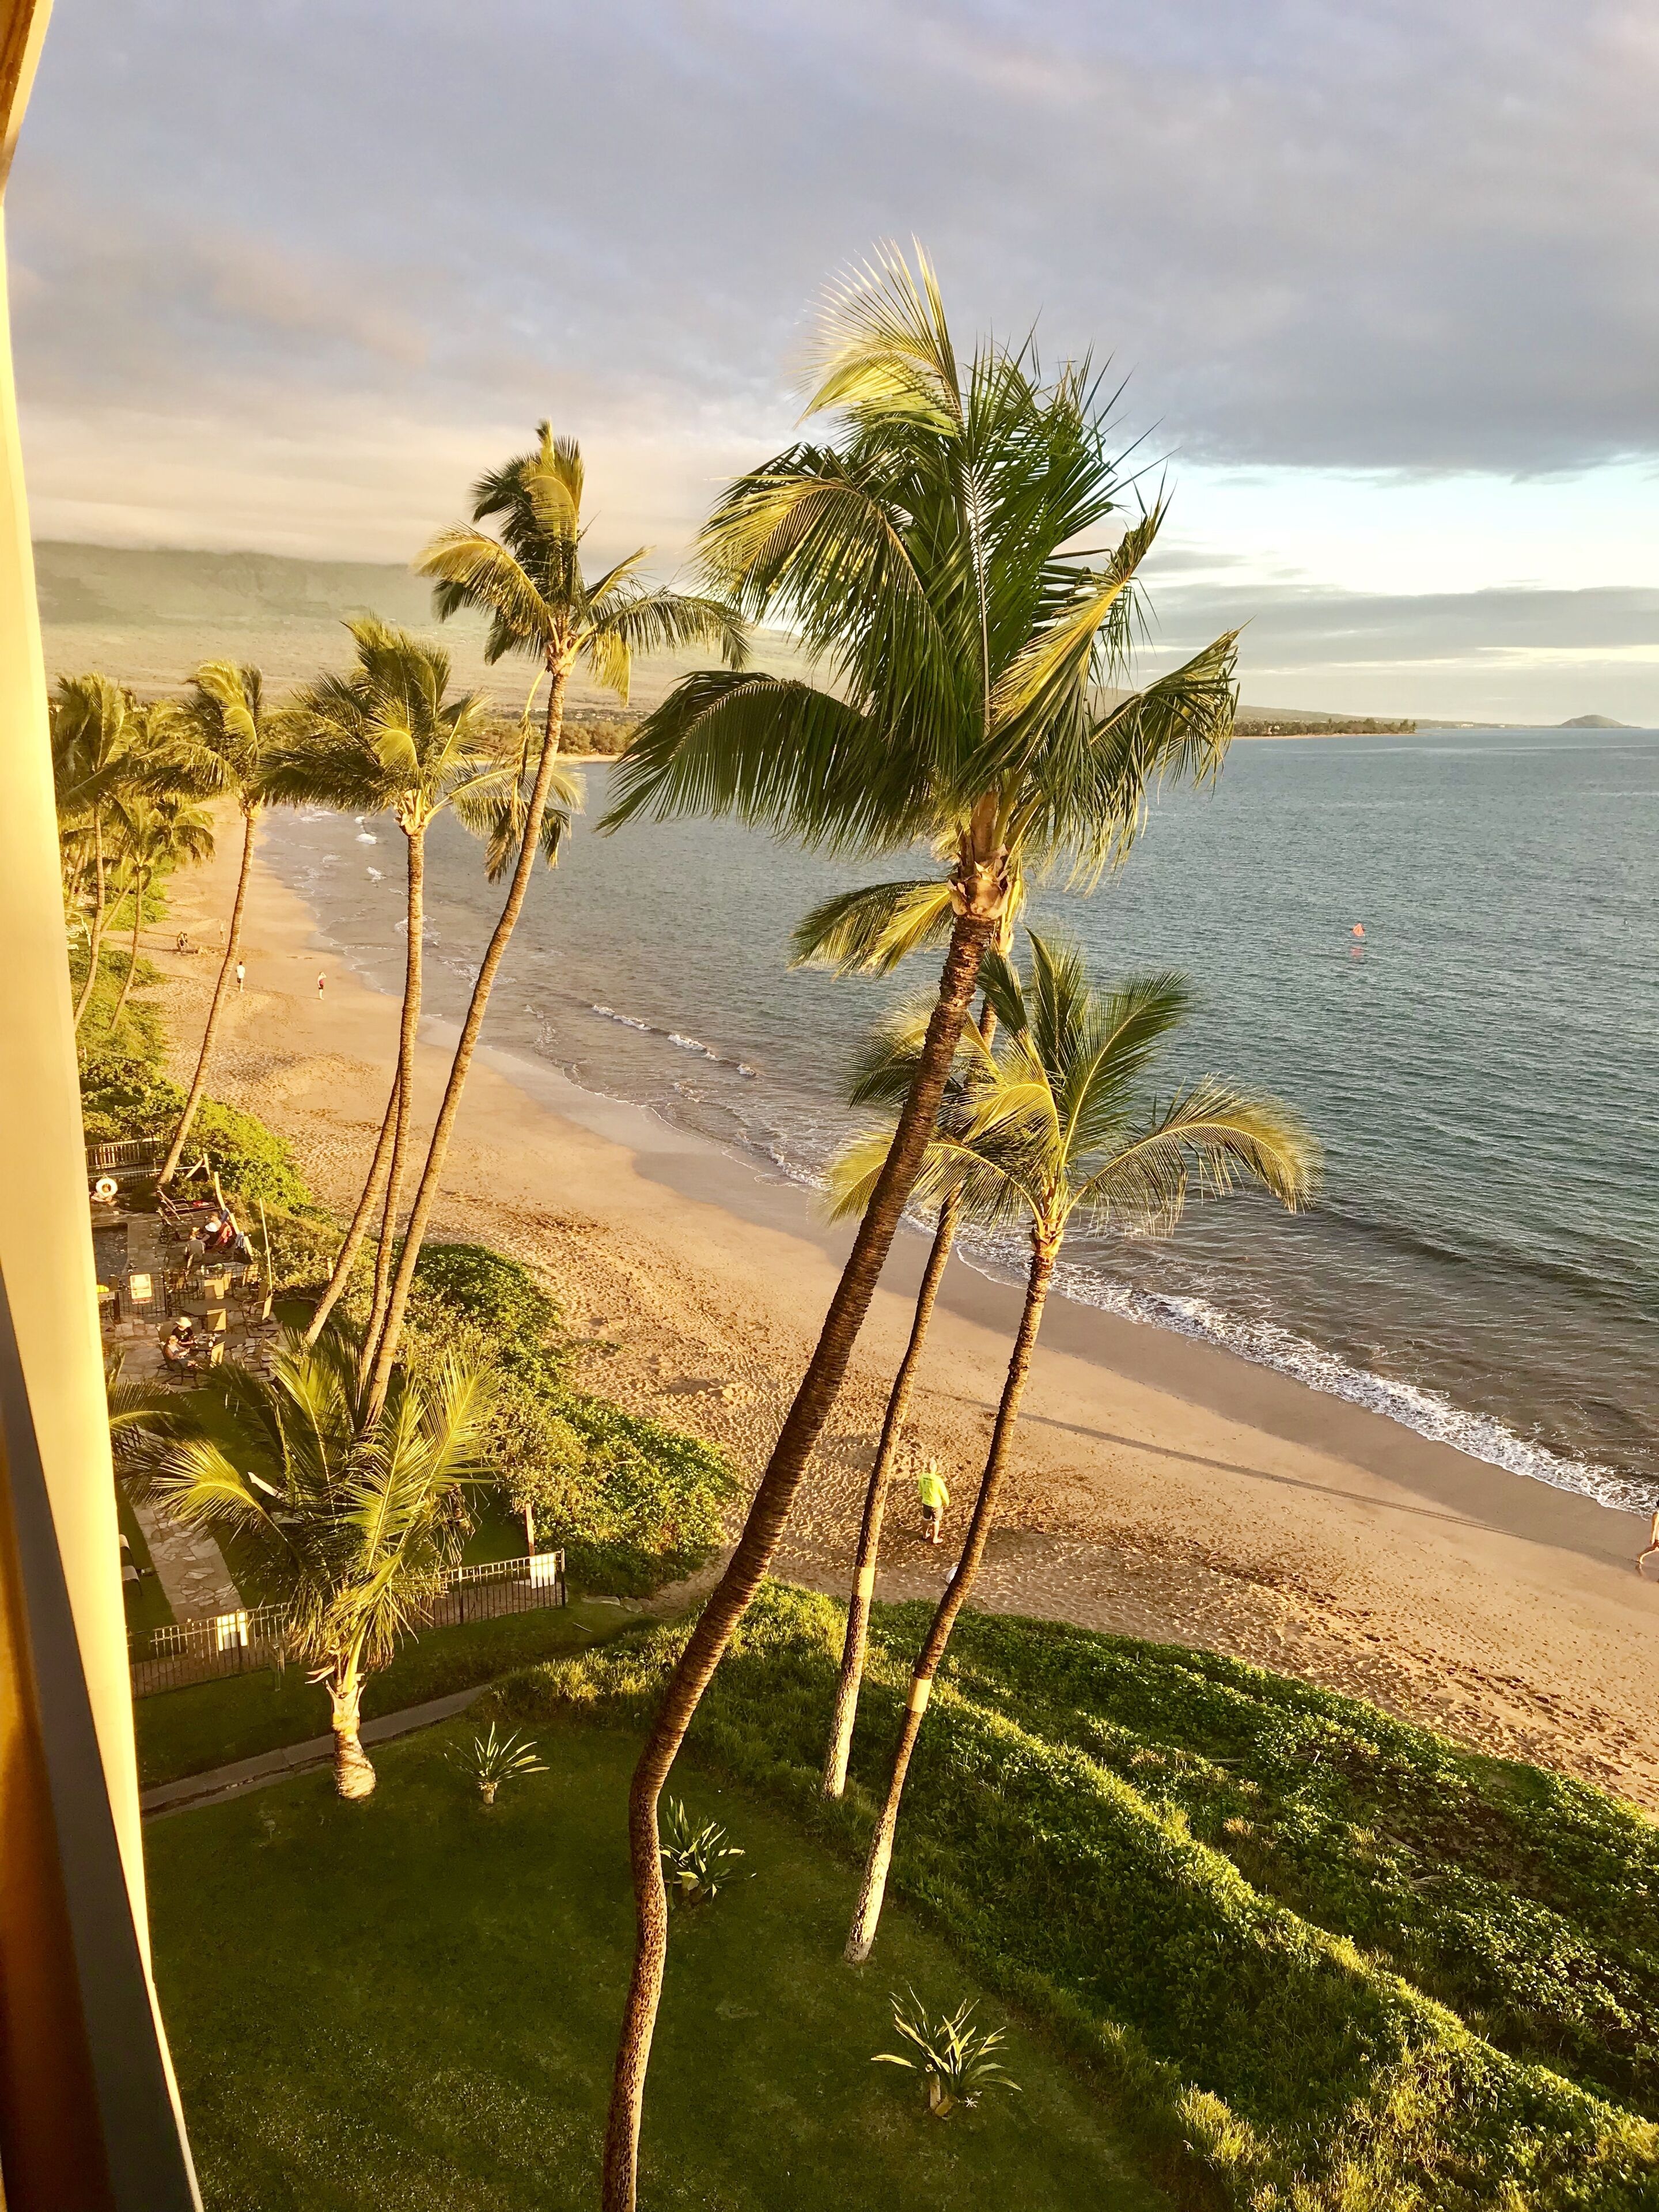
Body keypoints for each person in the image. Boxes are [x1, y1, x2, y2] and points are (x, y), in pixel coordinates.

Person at [916, 1461, 950, 1546]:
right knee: (936, 1521)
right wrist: (947, 1502)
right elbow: (944, 1493)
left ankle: (925, 1535)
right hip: (936, 1504)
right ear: (936, 1469)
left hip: (926, 1502)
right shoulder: (938, 1480)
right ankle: (935, 1539)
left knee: (926, 1519)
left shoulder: (923, 1477)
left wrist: (924, 1496)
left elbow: (920, 1489)